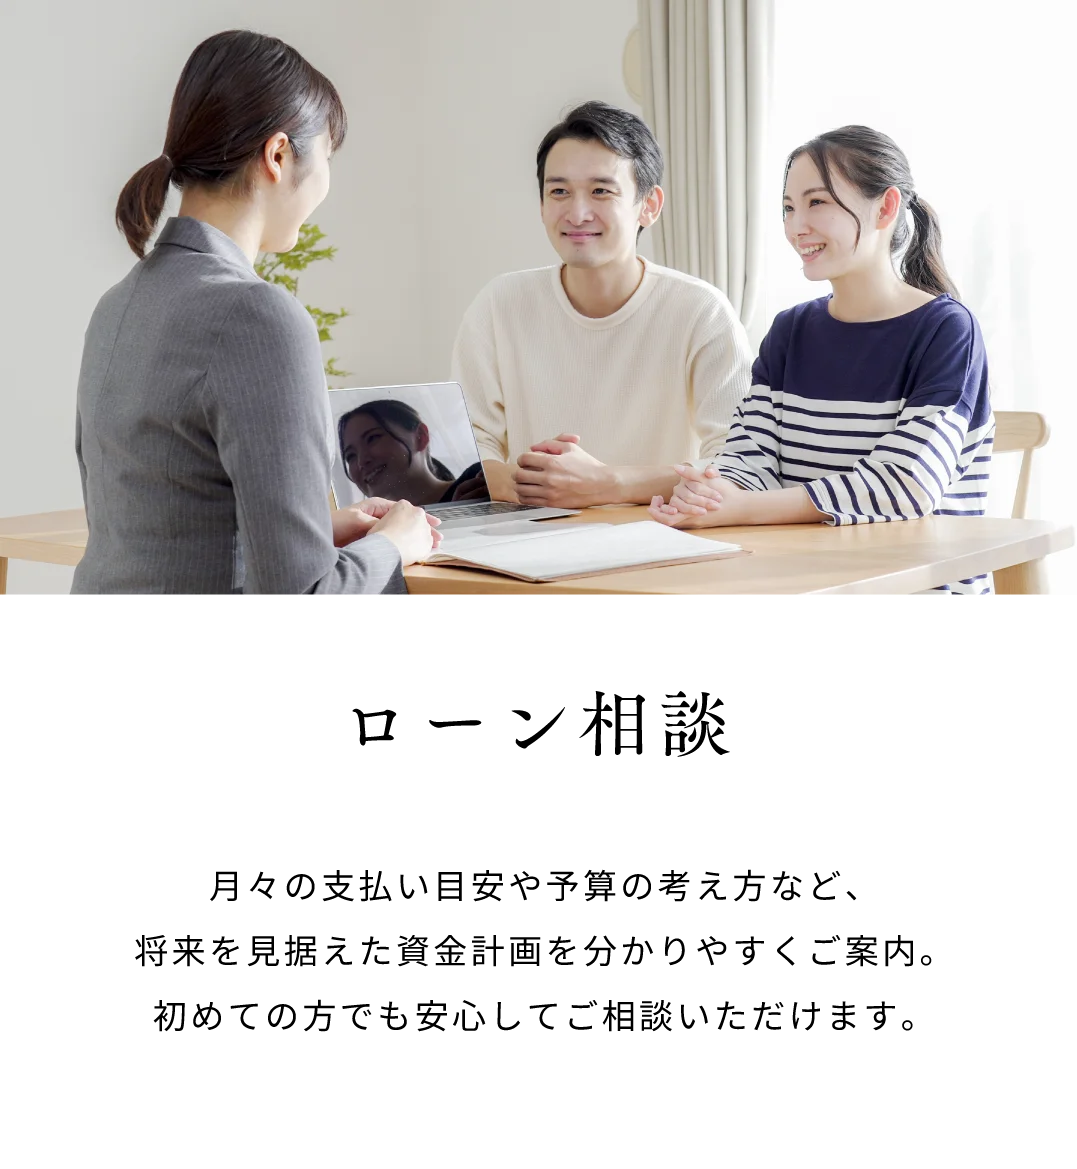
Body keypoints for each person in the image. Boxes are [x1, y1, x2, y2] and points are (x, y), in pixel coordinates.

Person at [71, 29, 440, 599]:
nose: (326, 185)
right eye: (327, 158)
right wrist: (394, 544)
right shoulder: (258, 316)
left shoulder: (116, 305)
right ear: (278, 155)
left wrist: (314, 533)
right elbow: (304, 595)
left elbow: (161, 528)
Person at [648, 124, 995, 598]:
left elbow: (907, 483)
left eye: (817, 202)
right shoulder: (790, 330)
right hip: (804, 583)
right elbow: (750, 456)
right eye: (789, 208)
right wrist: (712, 492)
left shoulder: (947, 331)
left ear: (886, 208)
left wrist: (742, 508)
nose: (797, 226)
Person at [450, 100, 754, 510]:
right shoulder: (500, 304)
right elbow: (467, 449)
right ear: (542, 205)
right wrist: (535, 485)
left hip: (658, 534)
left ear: (649, 205)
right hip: (529, 534)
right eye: (559, 192)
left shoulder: (701, 311)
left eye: (601, 191)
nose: (577, 214)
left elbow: (736, 464)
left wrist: (608, 484)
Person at [337, 400, 487, 506]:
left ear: (421, 436)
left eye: (373, 438)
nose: (361, 461)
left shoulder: (478, 481)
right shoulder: (374, 532)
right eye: (350, 456)